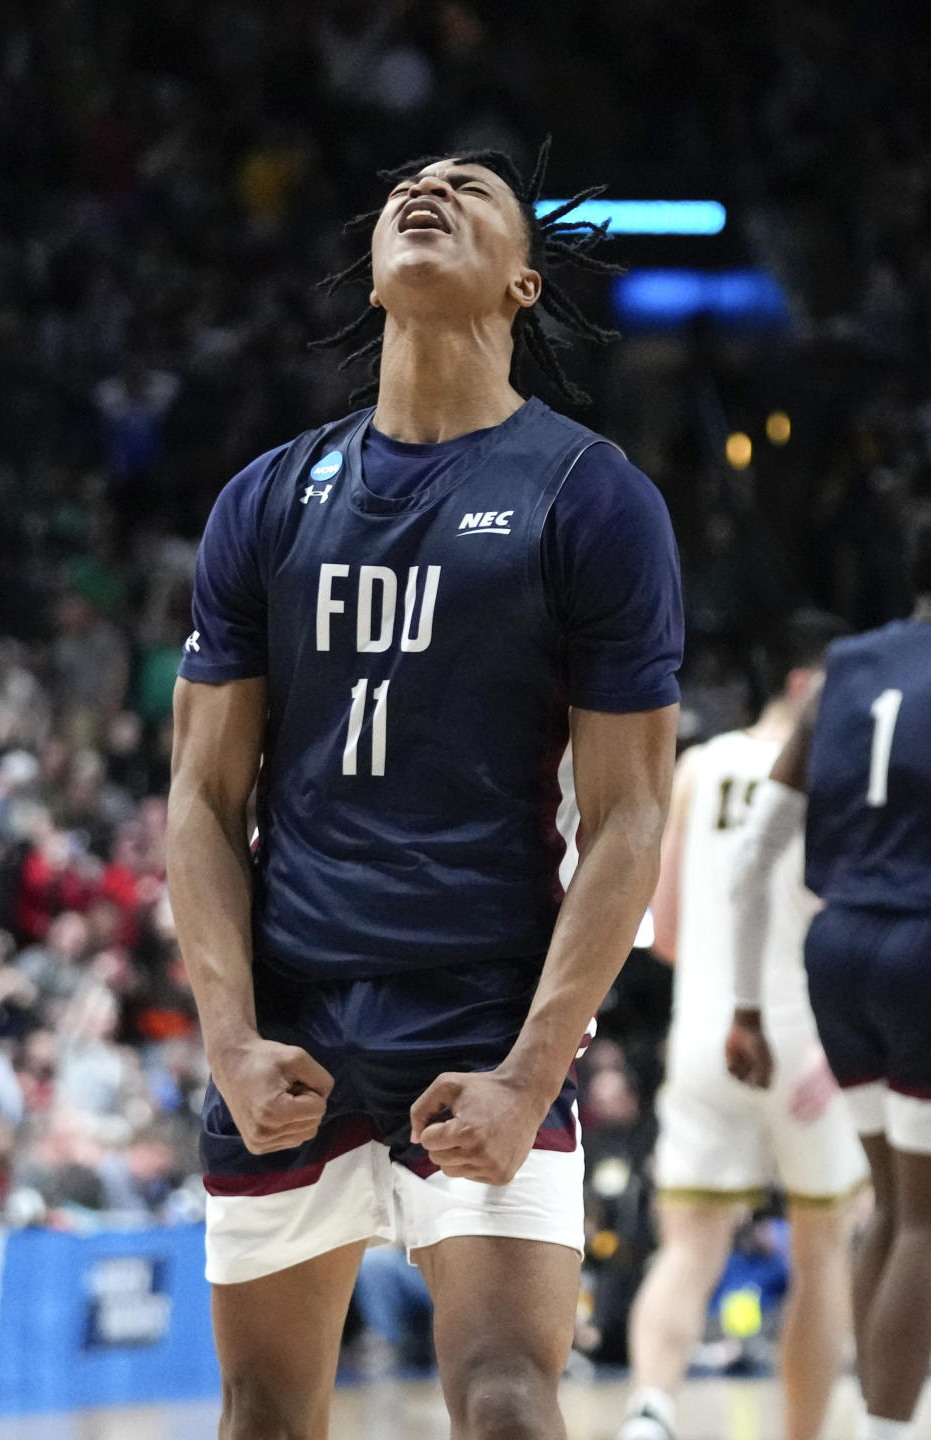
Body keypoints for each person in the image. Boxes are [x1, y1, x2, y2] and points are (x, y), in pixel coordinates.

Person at [167, 138, 683, 1440]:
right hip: (290, 1026)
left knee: (508, 1399)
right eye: (412, 184)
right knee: (264, 1416)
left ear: (520, 283)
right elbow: (199, 799)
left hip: (485, 1023)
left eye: (474, 191)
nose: (429, 192)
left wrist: (529, 1072)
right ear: (377, 271)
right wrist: (227, 1037)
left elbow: (629, 818)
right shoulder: (270, 498)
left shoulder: (592, 497)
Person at [618, 612, 866, 1440]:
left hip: (705, 1031)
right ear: (807, 684)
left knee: (687, 1249)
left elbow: (666, 930)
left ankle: (650, 1413)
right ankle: (802, 1433)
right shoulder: (835, 768)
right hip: (806, 1039)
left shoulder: (699, 765)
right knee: (822, 1252)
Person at [726, 512, 931, 1440]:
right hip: (920, 941)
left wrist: (744, 1005)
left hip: (837, 946)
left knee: (891, 1207)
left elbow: (757, 852)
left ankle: (874, 1418)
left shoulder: (844, 668)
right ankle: (885, 1430)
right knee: (925, 1222)